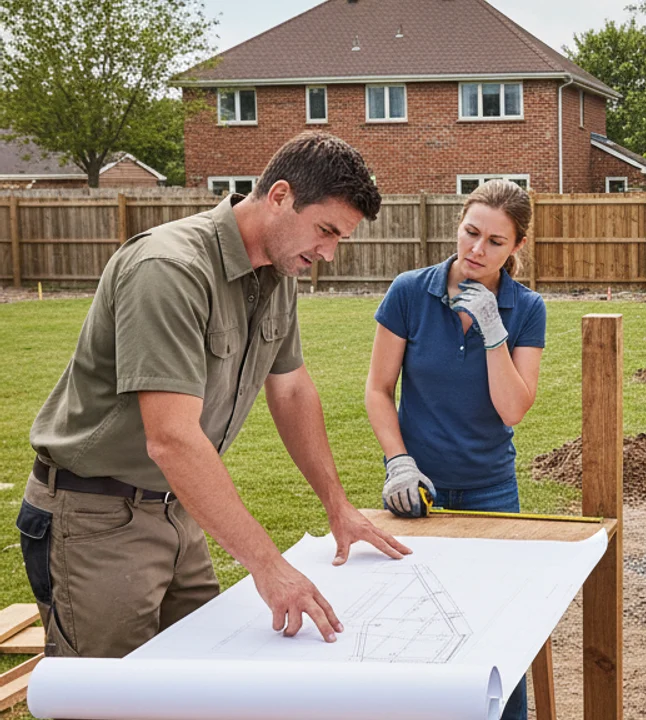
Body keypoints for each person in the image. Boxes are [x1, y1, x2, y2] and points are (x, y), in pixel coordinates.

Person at [19, 132, 412, 660]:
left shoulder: (277, 273)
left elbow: (292, 388)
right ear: (279, 197)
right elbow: (172, 440)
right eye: (325, 231)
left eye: (339, 238)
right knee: (110, 700)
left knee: (202, 682)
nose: (328, 253)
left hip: (180, 510)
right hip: (96, 519)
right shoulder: (169, 270)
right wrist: (268, 565)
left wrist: (337, 506)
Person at [365, 179, 546, 720]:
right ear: (458, 223)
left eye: (495, 242)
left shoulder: (526, 309)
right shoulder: (408, 291)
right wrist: (399, 463)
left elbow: (512, 409)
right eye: (471, 232)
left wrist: (495, 330)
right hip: (419, 493)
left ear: (516, 248)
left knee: (500, 635)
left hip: (492, 491)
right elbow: (378, 389)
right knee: (415, 628)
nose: (476, 250)